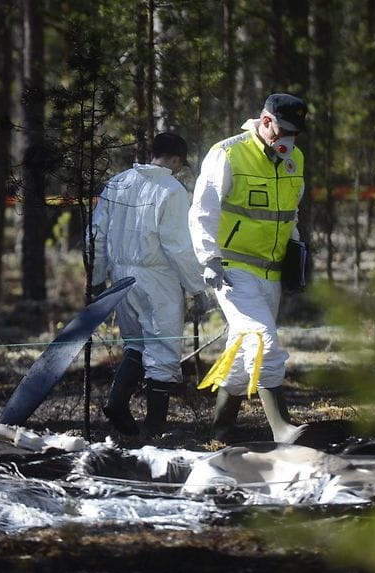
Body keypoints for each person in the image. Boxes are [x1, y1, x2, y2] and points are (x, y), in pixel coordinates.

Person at [188, 93, 308, 443]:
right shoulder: (228, 153)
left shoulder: (295, 159)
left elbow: (290, 214)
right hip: (232, 269)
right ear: (266, 121)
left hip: (271, 273)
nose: (289, 139)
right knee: (262, 339)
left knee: (243, 352)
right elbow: (203, 209)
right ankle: (281, 428)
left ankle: (221, 428)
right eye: (283, 131)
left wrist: (296, 254)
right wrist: (208, 257)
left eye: (295, 133)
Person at [90, 133, 210, 437]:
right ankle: (155, 429)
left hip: (121, 277)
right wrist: (197, 287)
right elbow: (177, 246)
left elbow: (96, 233)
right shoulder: (171, 189)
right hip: (157, 279)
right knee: (163, 349)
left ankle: (118, 404)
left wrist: (97, 279)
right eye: (180, 164)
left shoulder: (117, 182)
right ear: (176, 160)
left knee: (136, 343)